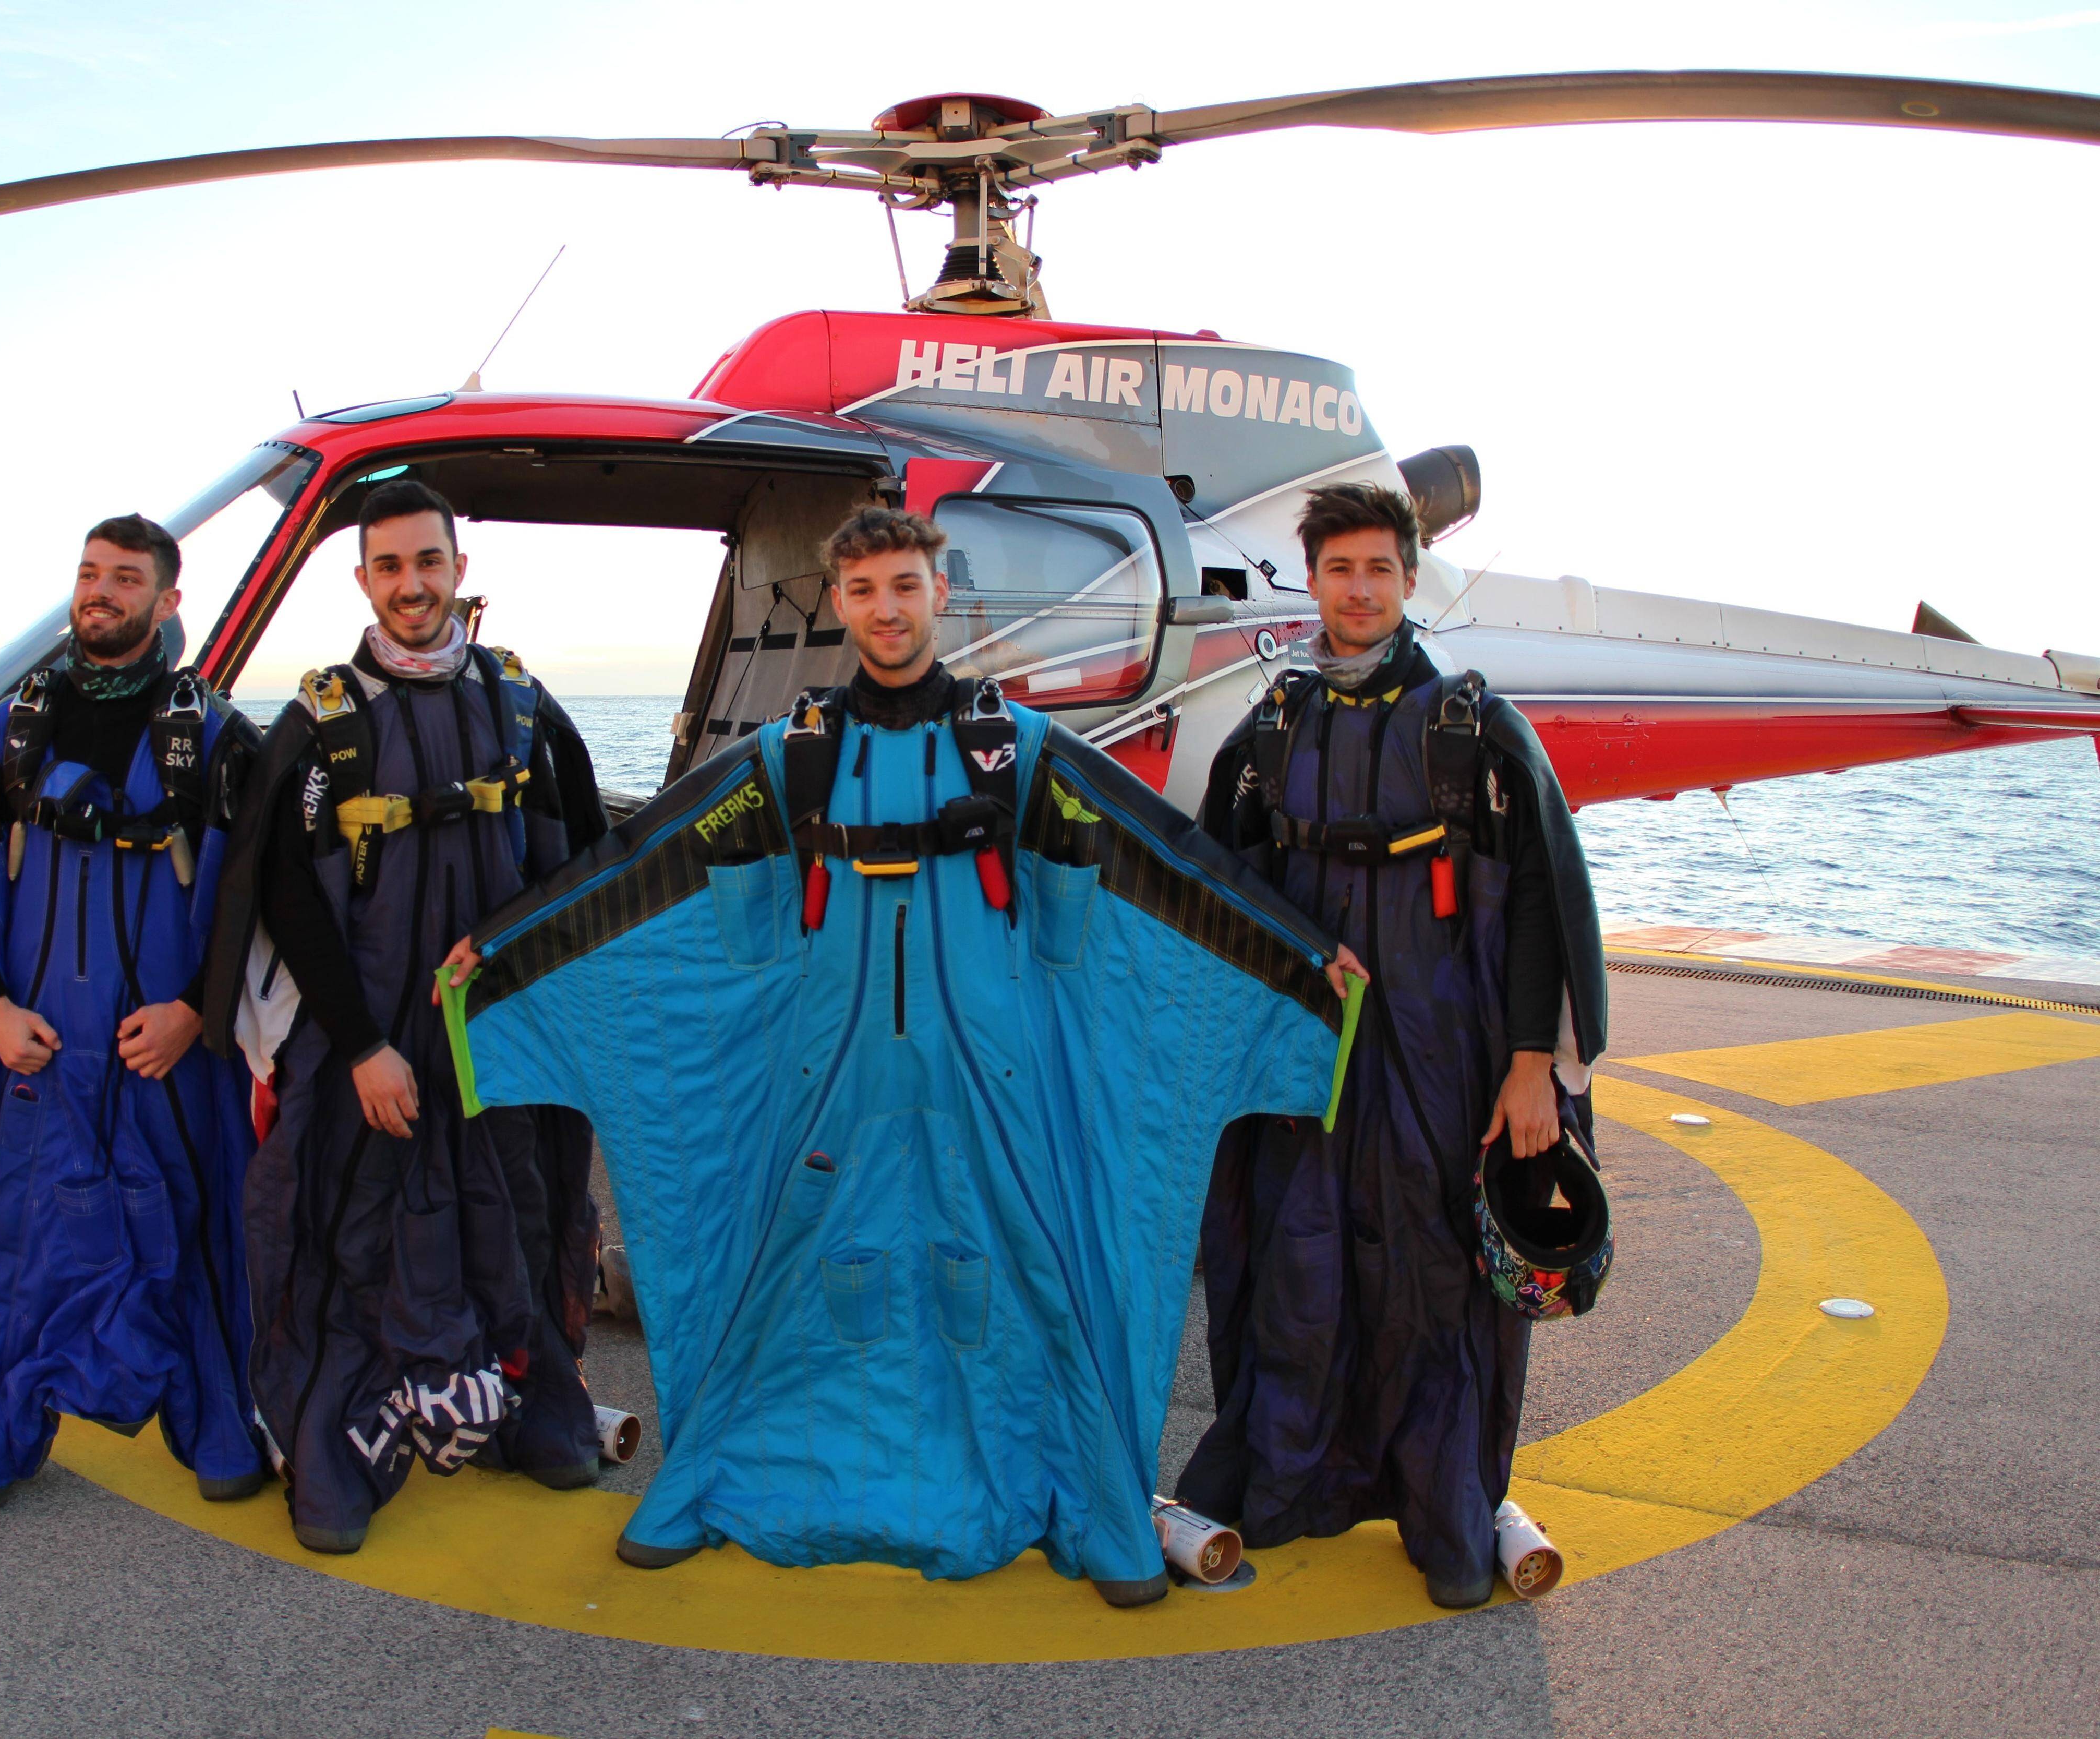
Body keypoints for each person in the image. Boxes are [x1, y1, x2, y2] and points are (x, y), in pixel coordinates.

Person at [434, 507, 1358, 1605]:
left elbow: (1168, 859)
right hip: (833, 1077)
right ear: (841, 601)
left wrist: (1302, 962)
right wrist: (500, 955)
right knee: (766, 1264)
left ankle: (1100, 1502)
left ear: (938, 589)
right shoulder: (794, 759)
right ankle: (708, 1476)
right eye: (865, 588)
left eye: (905, 585)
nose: (886, 607)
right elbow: (647, 860)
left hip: (990, 1082)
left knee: (1041, 1266)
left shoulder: (1012, 752)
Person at [1173, 481, 1607, 1608]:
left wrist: (1530, 1069)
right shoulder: (1272, 728)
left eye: (1378, 568)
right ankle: (1292, 1477)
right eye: (1337, 569)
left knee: (1434, 1271)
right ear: (1309, 581)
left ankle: (1448, 1507)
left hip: (1443, 1048)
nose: (1358, 589)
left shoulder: (1473, 726)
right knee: (1298, 1253)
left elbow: (1547, 908)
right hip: (1313, 1049)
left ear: (1410, 579)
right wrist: (1292, 961)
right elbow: (1219, 888)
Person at [200, 479, 608, 1555]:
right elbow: (282, 893)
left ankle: (528, 1401)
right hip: (363, 1037)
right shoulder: (322, 719)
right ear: (364, 580)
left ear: (458, 569)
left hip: (494, 1029)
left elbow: (578, 861)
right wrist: (365, 1043)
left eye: (429, 561)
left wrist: (519, 945)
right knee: (351, 1227)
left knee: (513, 1208)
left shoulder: (520, 703)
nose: (412, 584)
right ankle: (341, 1435)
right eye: (389, 566)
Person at [0, 514, 267, 1513]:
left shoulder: (211, 736)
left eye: (126, 578)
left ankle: (214, 1419)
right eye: (90, 574)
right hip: (30, 1045)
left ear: (168, 601)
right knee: (5, 1237)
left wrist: (197, 1014)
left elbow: (254, 888)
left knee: (197, 1227)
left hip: (167, 1046)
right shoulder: (9, 730)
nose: (101, 592)